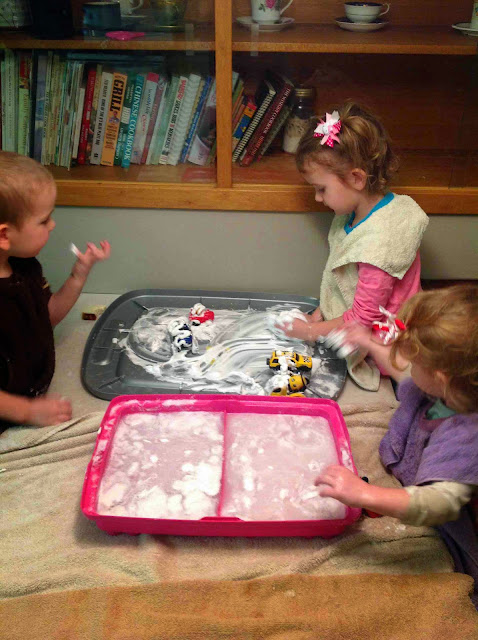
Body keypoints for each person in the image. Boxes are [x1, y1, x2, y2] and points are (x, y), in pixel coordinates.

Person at [316, 285, 478, 605]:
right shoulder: (447, 387)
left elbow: (439, 503)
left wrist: (363, 494)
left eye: (415, 362)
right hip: (409, 475)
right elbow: (404, 372)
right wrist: (368, 342)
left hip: (442, 525)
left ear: (440, 378)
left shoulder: (465, 437)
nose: (406, 365)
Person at [279, 102, 429, 390]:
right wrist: (320, 314)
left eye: (321, 189)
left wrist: (311, 331)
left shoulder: (379, 245)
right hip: (367, 316)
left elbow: (361, 319)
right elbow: (344, 281)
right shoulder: (355, 215)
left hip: (391, 338)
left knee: (393, 369)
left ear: (357, 178)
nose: (317, 199)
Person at [0, 151, 111, 428]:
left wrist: (78, 275)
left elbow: (45, 317)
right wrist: (25, 412)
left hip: (33, 392)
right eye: (44, 220)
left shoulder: (24, 266)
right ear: (4, 235)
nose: (53, 224)